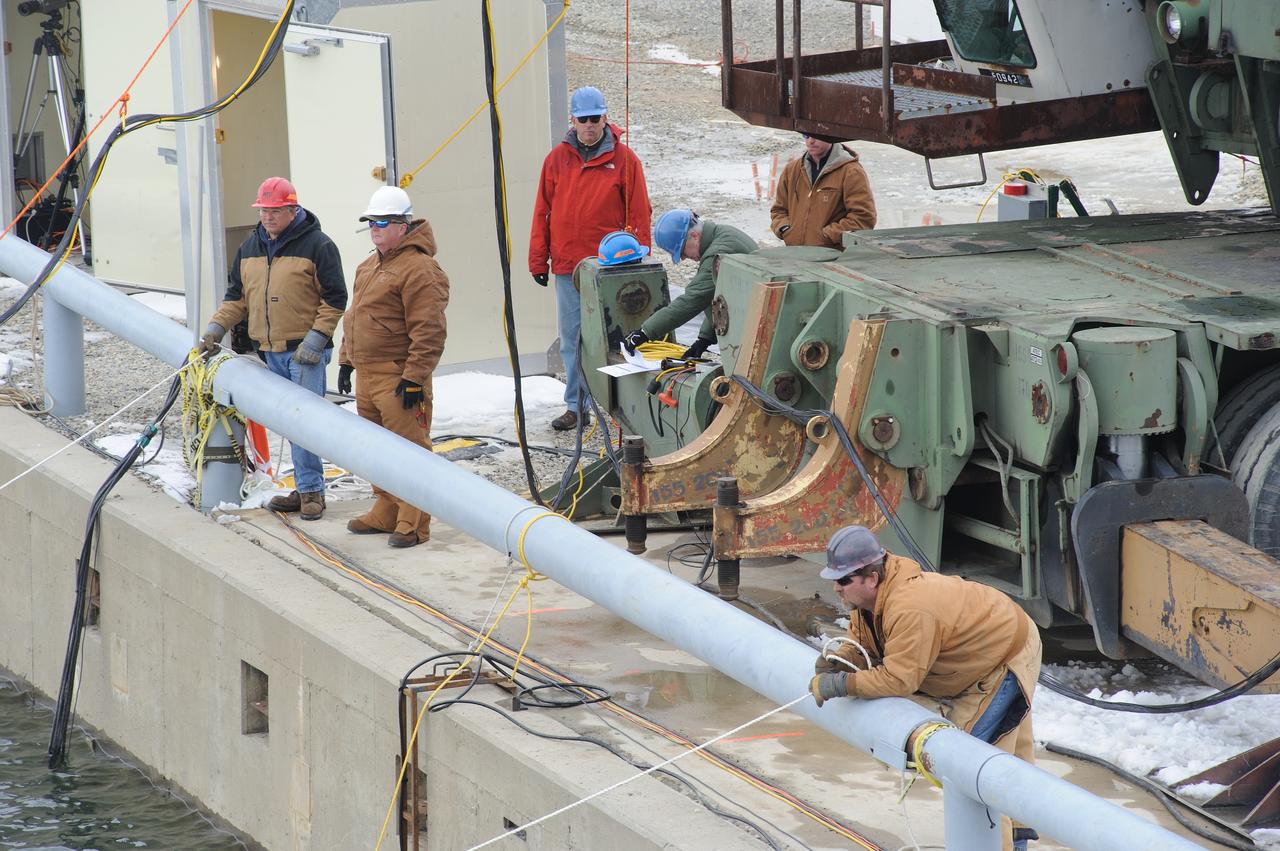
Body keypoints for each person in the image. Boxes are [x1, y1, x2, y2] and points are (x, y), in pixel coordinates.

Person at [810, 525, 1041, 851]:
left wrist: (843, 684)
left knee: (973, 770)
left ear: (871, 578)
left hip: (1004, 658)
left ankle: (998, 844)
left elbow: (899, 680)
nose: (836, 587)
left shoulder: (909, 607)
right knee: (1011, 759)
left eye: (844, 580)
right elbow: (864, 642)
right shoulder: (871, 601)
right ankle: (1017, 839)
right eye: (835, 579)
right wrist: (843, 660)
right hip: (993, 640)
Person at [200, 177, 346, 521]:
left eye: (275, 211)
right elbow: (237, 298)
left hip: (303, 354)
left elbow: (335, 299)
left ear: (292, 210)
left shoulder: (318, 246)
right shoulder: (250, 247)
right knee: (287, 422)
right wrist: (215, 329)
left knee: (303, 422)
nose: (267, 217)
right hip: (269, 351)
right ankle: (303, 486)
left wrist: (315, 340)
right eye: (264, 210)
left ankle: (312, 493)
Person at [529, 85, 652, 431]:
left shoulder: (626, 161)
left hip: (611, 269)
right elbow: (543, 212)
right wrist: (538, 260)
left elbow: (639, 211)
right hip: (569, 268)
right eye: (583, 119)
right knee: (573, 340)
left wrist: (640, 255)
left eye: (595, 118)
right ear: (573, 120)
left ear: (604, 117)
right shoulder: (556, 160)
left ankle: (624, 405)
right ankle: (577, 405)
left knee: (618, 337)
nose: (589, 125)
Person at [336, 186, 449, 549]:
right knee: (374, 447)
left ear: (403, 225)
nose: (376, 228)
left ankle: (414, 522)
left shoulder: (419, 268)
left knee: (409, 448)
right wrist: (345, 359)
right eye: (371, 222)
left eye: (383, 222)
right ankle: (387, 506)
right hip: (368, 373)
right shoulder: (368, 265)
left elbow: (429, 328)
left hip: (397, 374)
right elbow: (354, 316)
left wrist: (414, 377)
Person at [622, 210, 756, 360]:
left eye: (682, 251)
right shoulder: (722, 233)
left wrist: (645, 332)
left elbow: (692, 300)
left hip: (756, 325)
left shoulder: (716, 253)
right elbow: (713, 294)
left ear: (694, 236)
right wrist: (704, 340)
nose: (684, 258)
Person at [770, 133, 876, 248]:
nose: (810, 141)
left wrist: (827, 235)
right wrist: (784, 229)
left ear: (830, 136)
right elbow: (779, 210)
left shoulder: (851, 172)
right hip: (795, 254)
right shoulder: (791, 170)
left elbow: (863, 218)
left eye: (816, 136)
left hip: (831, 258)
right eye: (806, 136)